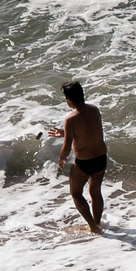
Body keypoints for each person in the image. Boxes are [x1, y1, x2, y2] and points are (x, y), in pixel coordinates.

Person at [49, 80, 108, 234]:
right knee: (95, 192)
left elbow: (67, 147)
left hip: (84, 162)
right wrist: (64, 133)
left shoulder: (70, 119)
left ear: (69, 99)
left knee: (76, 193)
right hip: (101, 158)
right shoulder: (94, 110)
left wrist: (61, 158)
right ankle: (97, 223)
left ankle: (93, 227)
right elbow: (88, 131)